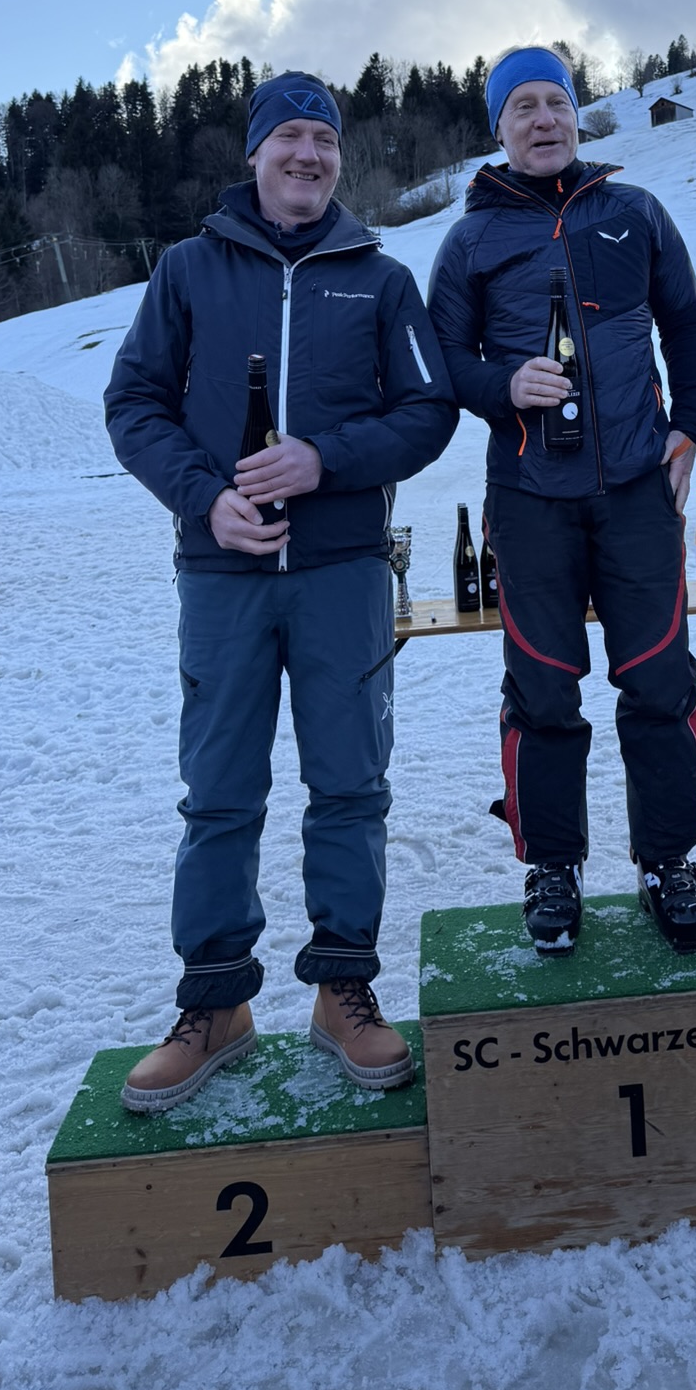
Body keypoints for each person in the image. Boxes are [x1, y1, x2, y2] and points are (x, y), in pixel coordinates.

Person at [104, 71, 457, 1110]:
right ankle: (215, 1002)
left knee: (351, 784)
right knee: (219, 790)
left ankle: (343, 989)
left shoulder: (379, 279)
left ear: (339, 157)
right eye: (289, 137)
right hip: (224, 573)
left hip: (344, 571)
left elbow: (428, 409)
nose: (308, 154)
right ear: (254, 153)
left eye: (324, 139)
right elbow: (134, 402)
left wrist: (324, 459)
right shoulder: (188, 270)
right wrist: (207, 498)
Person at [427, 46, 696, 955]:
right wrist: (503, 385)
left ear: (577, 115)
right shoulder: (470, 239)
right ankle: (553, 865)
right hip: (529, 496)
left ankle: (667, 858)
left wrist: (691, 428)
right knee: (544, 688)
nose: (544, 119)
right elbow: (444, 363)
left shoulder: (635, 210)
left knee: (659, 677)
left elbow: (685, 320)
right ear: (499, 128)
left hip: (635, 487)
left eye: (555, 101)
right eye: (523, 107)